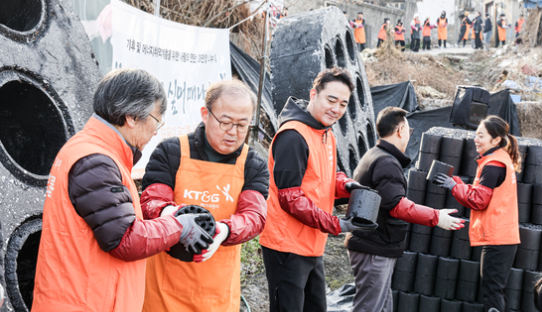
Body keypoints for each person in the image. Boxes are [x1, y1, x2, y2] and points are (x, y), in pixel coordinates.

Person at [31, 69, 213, 311]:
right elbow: (125, 239)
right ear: (131, 117)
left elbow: (114, 221)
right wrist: (179, 226)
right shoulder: (95, 161)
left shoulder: (94, 152)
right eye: (156, 120)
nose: (156, 131)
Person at [140, 80, 269, 312]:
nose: (233, 132)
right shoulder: (171, 152)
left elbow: (254, 216)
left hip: (217, 293)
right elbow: (151, 200)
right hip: (164, 289)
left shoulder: (253, 164)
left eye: (242, 125)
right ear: (205, 114)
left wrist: (225, 231)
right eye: (225, 122)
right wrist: (174, 216)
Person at [260, 67, 371, 312]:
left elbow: (322, 177)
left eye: (343, 104)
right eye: (331, 100)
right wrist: (336, 224)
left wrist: (347, 186)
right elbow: (290, 197)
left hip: (311, 243)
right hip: (286, 246)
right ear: (313, 94)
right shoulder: (293, 136)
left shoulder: (324, 133)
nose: (337, 109)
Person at [345, 107, 464, 312]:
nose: (410, 134)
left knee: (382, 307)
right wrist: (436, 217)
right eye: (409, 129)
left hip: (374, 245)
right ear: (400, 130)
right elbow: (397, 206)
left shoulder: (375, 155)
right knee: (370, 308)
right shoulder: (386, 163)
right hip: (374, 247)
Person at [434, 115, 521, 312]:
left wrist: (453, 187)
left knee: (492, 292)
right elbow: (479, 193)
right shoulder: (499, 159)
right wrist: (456, 182)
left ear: (496, 140)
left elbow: (478, 201)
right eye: (476, 134)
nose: (476, 139)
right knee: (495, 290)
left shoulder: (493, 166)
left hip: (499, 238)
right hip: (503, 237)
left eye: (481, 135)